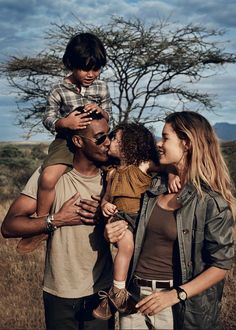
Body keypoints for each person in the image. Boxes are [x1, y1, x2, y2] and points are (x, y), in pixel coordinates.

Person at [105, 111, 235, 330]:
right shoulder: (153, 187)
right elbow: (127, 218)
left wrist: (175, 295)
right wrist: (110, 229)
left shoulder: (210, 202)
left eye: (165, 138)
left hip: (174, 304)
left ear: (186, 144)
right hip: (134, 298)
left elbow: (221, 265)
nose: (159, 143)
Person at [1, 112, 115, 330]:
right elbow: (8, 226)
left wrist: (105, 217)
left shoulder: (113, 178)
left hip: (100, 291)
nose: (107, 143)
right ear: (78, 141)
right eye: (100, 138)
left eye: (109, 136)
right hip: (59, 294)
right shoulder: (51, 176)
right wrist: (56, 220)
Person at [17, 32, 112, 253]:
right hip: (66, 142)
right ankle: (42, 224)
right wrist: (65, 122)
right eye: (85, 68)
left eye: (96, 69)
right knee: (49, 177)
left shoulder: (102, 88)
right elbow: (48, 119)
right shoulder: (59, 90)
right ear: (71, 64)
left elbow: (109, 116)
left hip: (95, 141)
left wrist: (102, 112)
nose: (91, 74)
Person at [93, 122, 180, 320]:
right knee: (126, 247)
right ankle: (118, 291)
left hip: (141, 217)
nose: (110, 142)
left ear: (129, 144)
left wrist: (173, 175)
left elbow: (168, 165)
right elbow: (107, 196)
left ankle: (123, 291)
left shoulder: (142, 165)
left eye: (115, 139)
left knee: (135, 249)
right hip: (120, 218)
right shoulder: (112, 172)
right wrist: (104, 205)